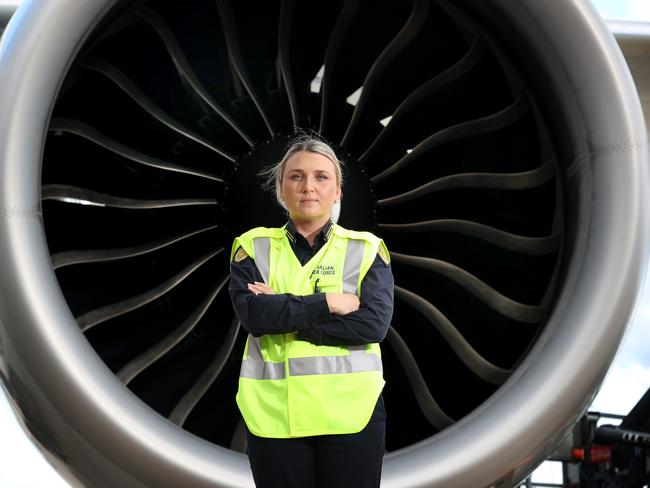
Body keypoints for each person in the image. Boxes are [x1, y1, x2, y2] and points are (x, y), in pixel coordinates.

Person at [228, 134, 394, 488]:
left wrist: (285, 314)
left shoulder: (367, 249)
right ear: (281, 190)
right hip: (274, 417)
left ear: (338, 192)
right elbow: (254, 317)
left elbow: (373, 325)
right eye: (296, 176)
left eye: (322, 177)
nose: (308, 187)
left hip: (351, 416)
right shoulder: (251, 246)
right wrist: (329, 303)